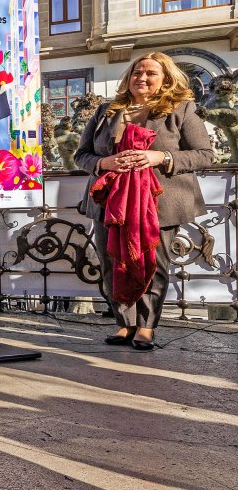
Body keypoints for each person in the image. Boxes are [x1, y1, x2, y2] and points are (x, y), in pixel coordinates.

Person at [73, 53, 212, 351]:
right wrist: (105, 162)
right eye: (138, 71)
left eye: (151, 73)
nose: (143, 78)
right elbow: (81, 155)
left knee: (152, 264)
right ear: (129, 77)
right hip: (109, 202)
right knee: (111, 261)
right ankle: (124, 323)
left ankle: (146, 327)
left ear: (166, 79)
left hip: (158, 204)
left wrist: (160, 157)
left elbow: (204, 154)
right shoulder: (107, 111)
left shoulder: (182, 110)